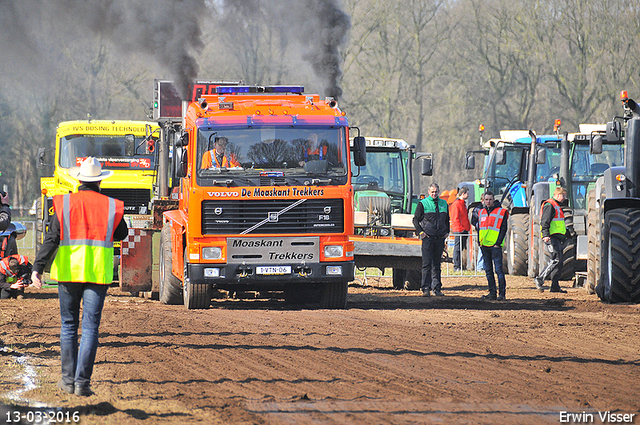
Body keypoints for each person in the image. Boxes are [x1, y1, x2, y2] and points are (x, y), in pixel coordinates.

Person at [31, 157, 128, 397]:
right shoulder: (111, 206)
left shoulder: (64, 203)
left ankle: (66, 380)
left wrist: (37, 268)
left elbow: (52, 238)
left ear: (79, 180)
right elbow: (122, 233)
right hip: (97, 273)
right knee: (91, 327)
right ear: (99, 182)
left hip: (68, 272)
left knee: (68, 326)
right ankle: (82, 383)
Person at [413, 183, 450, 297]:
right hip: (428, 238)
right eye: (432, 192)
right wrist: (421, 233)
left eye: (436, 192)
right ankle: (425, 288)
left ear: (438, 192)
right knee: (427, 264)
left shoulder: (444, 203)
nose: (434, 194)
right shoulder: (423, 203)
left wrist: (447, 231)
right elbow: (415, 220)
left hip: (439, 238)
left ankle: (437, 288)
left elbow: (447, 219)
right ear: (429, 192)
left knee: (437, 265)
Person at [471, 191, 508, 301]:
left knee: (499, 270)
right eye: (486, 200)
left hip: (495, 245)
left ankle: (502, 294)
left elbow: (503, 229)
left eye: (490, 199)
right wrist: (480, 242)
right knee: (488, 271)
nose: (488, 202)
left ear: (493, 200)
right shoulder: (481, 212)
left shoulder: (501, 212)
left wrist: (498, 243)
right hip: (484, 245)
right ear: (484, 200)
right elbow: (480, 229)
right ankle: (492, 292)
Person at [534, 186, 568, 293]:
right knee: (555, 259)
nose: (564, 198)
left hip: (557, 237)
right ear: (558, 195)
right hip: (551, 237)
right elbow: (545, 221)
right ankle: (540, 279)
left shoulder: (557, 206)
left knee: (559, 261)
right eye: (563, 195)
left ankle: (555, 286)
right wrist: (545, 235)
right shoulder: (550, 205)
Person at [450, 187, 471, 271]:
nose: (468, 195)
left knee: (461, 248)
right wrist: (461, 229)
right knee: (457, 248)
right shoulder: (457, 204)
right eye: (467, 194)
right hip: (459, 230)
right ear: (463, 194)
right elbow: (455, 218)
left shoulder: (462, 204)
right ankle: (456, 266)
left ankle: (460, 265)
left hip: (464, 229)